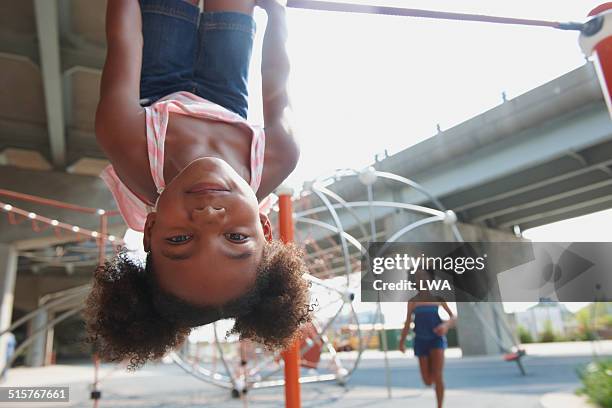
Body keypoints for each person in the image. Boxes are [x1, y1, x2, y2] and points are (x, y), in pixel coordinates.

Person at [85, 0, 310, 370]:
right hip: (227, 97)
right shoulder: (279, 155)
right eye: (236, 237)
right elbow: (277, 83)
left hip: (156, 84)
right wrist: (277, 11)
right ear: (264, 227)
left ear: (151, 228)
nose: (208, 217)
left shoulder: (125, 140)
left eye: (179, 240)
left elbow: (124, 39)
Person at [399, 268, 456, 408]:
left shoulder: (438, 299)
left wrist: (446, 326)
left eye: (425, 275)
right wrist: (401, 342)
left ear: (431, 279)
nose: (422, 278)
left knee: (438, 375)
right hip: (420, 341)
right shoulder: (412, 302)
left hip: (436, 339)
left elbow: (453, 317)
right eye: (418, 276)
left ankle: (440, 406)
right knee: (428, 381)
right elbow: (407, 323)